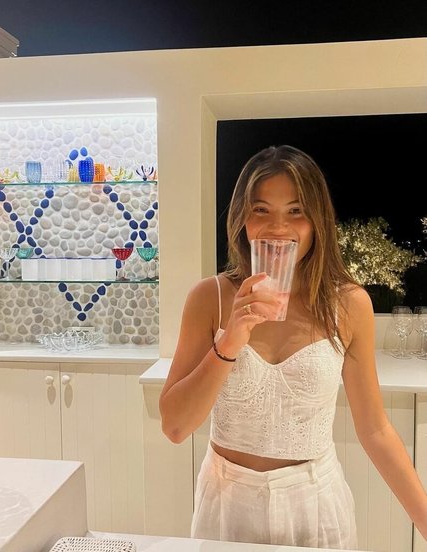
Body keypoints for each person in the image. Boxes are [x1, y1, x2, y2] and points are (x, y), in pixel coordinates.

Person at [159, 145, 427, 549]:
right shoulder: (209, 298)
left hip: (315, 507)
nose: (277, 227)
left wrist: (424, 518)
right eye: (261, 209)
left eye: (296, 211)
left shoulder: (349, 304)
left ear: (317, 220)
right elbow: (175, 427)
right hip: (227, 506)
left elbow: (375, 429)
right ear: (242, 218)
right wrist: (231, 339)